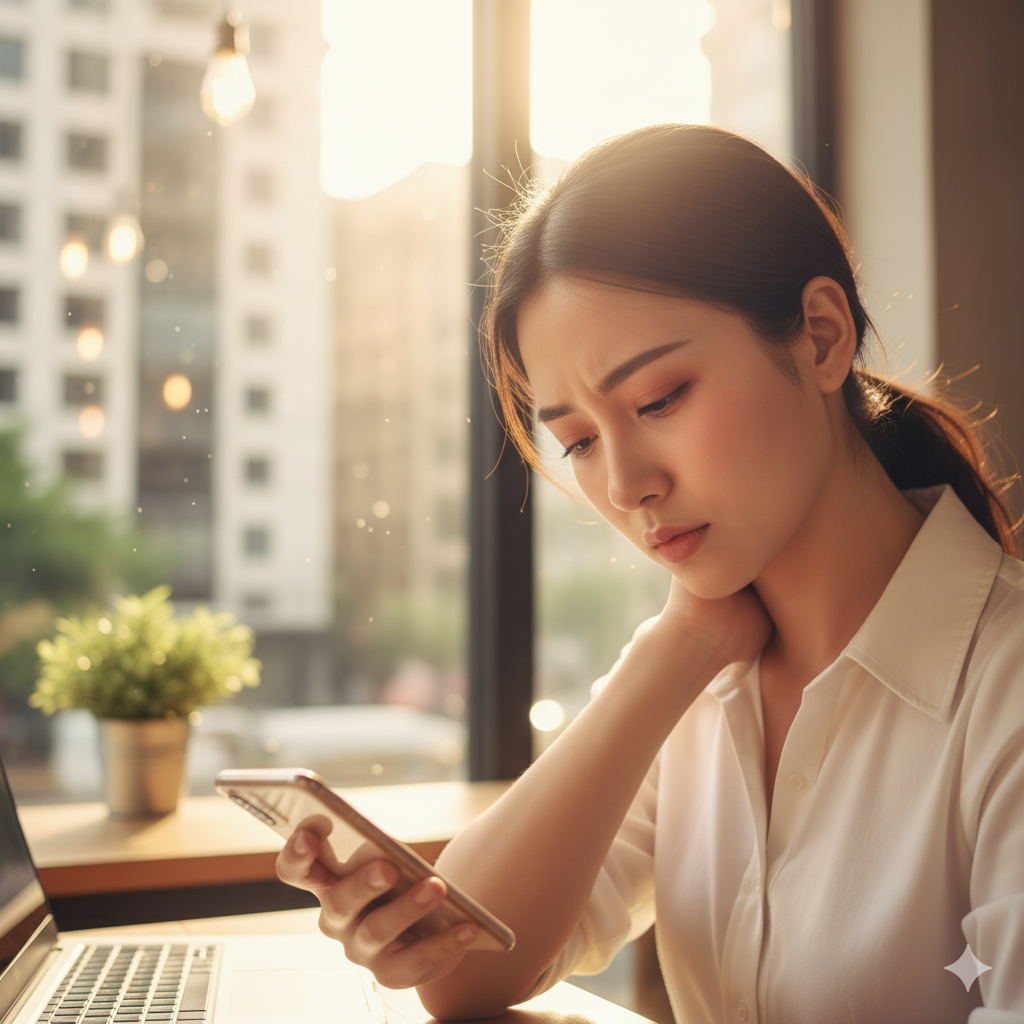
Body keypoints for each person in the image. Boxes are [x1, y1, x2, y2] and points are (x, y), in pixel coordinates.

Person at [277, 125, 1024, 1023]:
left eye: (660, 399)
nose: (627, 485)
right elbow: (461, 971)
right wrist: (679, 647)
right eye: (579, 442)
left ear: (822, 338)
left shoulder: (1003, 688)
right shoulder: (694, 682)